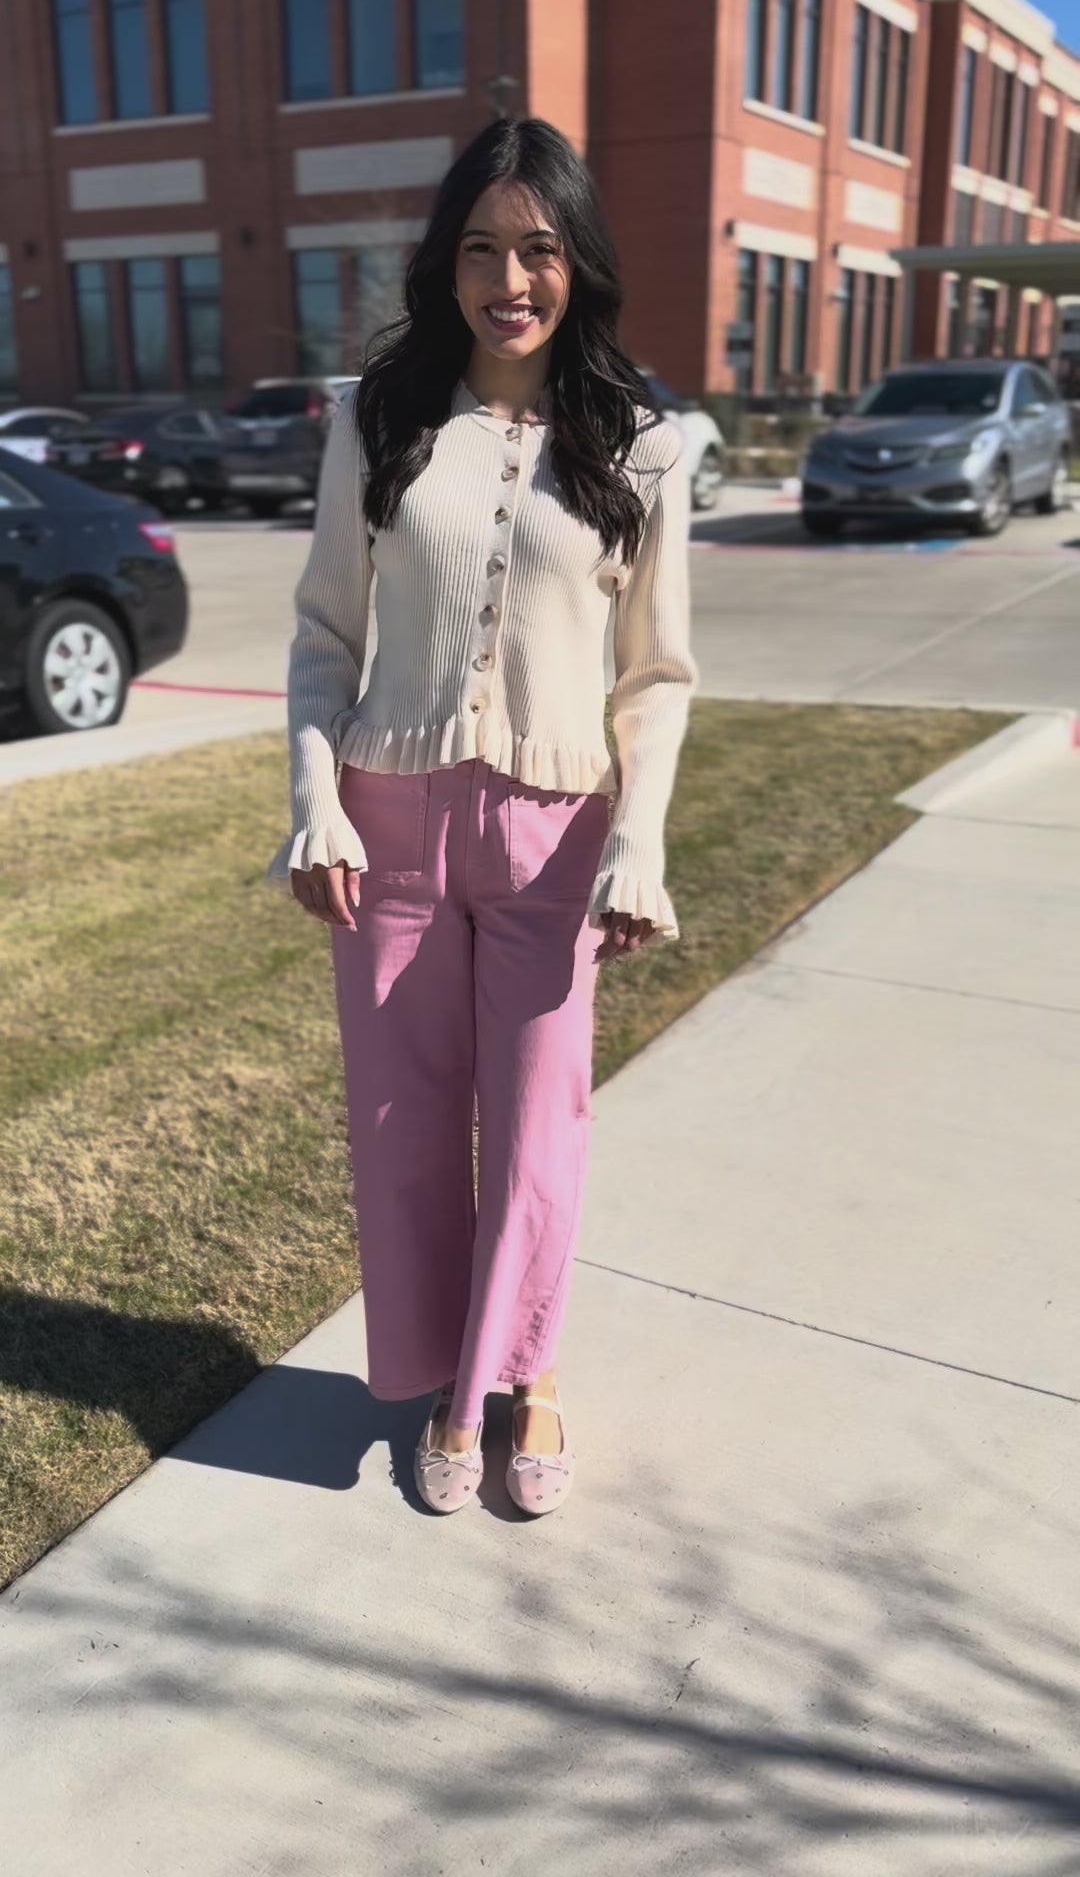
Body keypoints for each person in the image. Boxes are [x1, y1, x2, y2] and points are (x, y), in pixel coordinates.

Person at [268, 116, 697, 1517]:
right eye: (480, 250)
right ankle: (449, 1380)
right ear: (444, 263)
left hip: (555, 837)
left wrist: (639, 841)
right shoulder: (378, 418)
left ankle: (528, 1378)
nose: (509, 279)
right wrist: (314, 804)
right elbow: (326, 635)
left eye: (538, 249)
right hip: (388, 827)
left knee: (536, 1128)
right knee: (401, 1129)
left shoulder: (640, 443)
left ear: (578, 263)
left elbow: (658, 674)